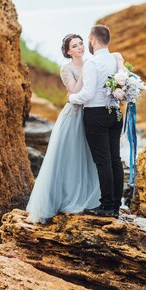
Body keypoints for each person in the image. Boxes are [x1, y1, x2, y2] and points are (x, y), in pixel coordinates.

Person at [26, 34, 100, 223]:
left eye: (81, 43)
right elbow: (74, 91)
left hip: (91, 113)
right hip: (74, 116)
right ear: (68, 51)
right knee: (70, 156)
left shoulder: (92, 63)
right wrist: (85, 72)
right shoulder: (66, 69)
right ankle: (65, 197)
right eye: (75, 46)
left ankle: (88, 197)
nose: (80, 47)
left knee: (88, 156)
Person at [69, 25, 125, 218]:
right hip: (116, 114)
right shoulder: (115, 60)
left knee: (103, 161)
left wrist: (71, 99)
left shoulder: (92, 64)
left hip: (97, 115)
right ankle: (116, 205)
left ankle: (106, 205)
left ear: (93, 40)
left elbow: (87, 93)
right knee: (115, 160)